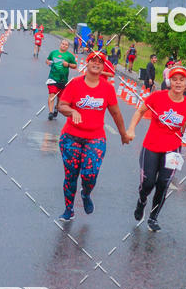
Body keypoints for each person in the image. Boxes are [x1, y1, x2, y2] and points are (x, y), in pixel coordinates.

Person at [56, 50, 130, 220]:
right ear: (87, 64)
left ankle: (86, 193)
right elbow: (62, 105)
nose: (96, 63)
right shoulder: (74, 84)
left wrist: (123, 134)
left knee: (90, 174)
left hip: (95, 138)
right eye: (93, 60)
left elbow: (116, 113)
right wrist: (72, 111)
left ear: (103, 66)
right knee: (71, 175)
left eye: (100, 61)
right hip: (70, 137)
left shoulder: (107, 88)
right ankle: (69, 209)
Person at [126, 65, 186, 231]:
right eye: (174, 79)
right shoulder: (157, 97)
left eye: (181, 80)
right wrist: (131, 129)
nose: (178, 83)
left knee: (163, 184)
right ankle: (142, 201)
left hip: (172, 150)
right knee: (148, 182)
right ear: (169, 81)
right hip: (151, 146)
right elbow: (140, 111)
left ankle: (153, 218)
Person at [46, 38, 76, 119]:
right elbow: (48, 60)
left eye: (66, 45)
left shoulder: (69, 56)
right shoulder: (53, 53)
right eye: (63, 44)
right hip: (52, 77)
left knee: (59, 98)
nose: (64, 46)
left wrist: (68, 64)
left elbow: (75, 66)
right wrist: (48, 62)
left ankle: (56, 107)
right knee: (52, 94)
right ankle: (50, 112)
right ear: (60, 44)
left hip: (63, 80)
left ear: (68, 47)